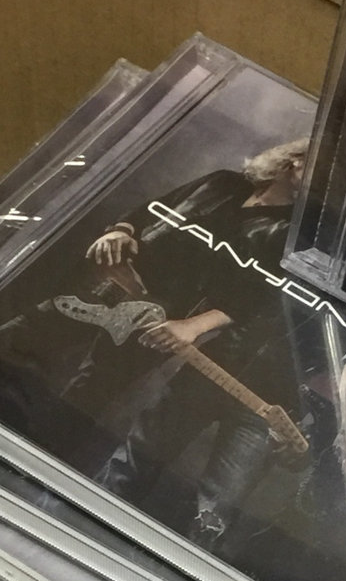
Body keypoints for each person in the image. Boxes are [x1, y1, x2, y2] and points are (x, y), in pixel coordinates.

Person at [85, 138, 311, 551]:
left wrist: (193, 324)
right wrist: (122, 230)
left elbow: (253, 296)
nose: (324, 186)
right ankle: (75, 526)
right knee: (128, 453)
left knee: (212, 514)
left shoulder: (293, 235)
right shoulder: (224, 184)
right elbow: (155, 210)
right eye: (318, 171)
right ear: (294, 162)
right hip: (151, 313)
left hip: (251, 384)